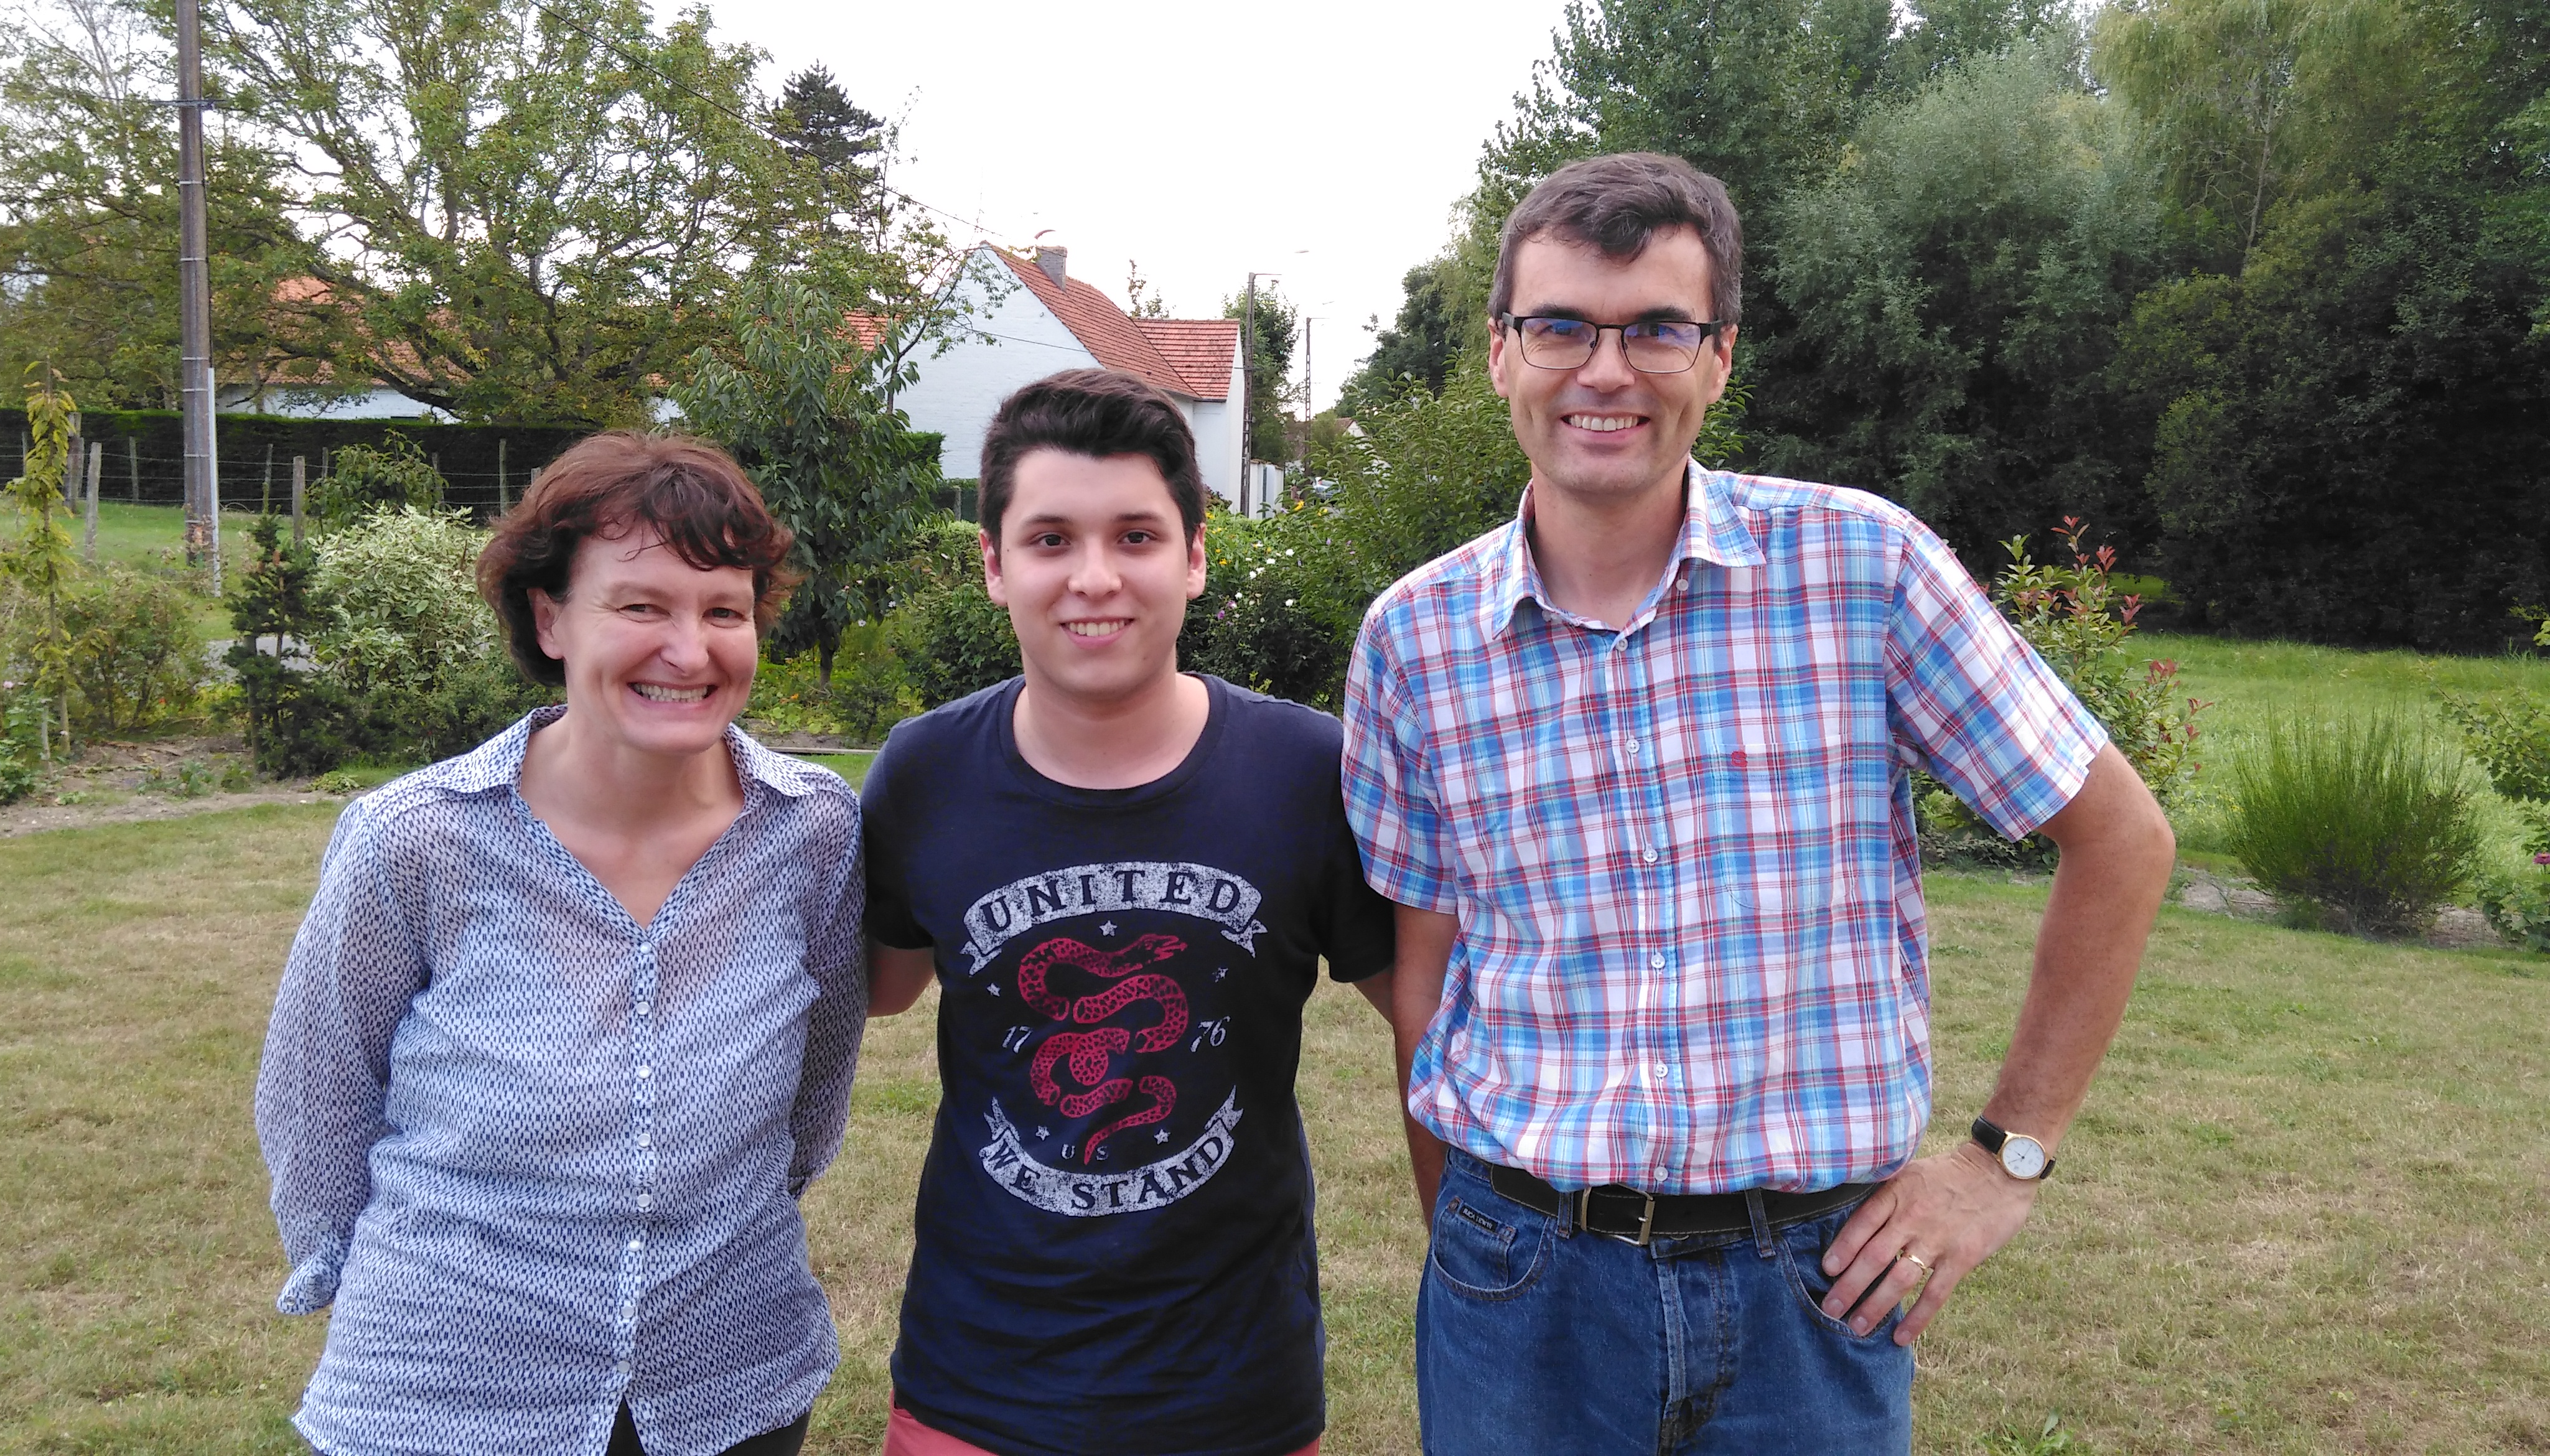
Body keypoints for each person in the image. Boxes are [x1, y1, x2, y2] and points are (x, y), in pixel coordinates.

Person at [1340, 151, 2177, 1453]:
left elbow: (2118, 838)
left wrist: (1999, 1163)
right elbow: (1424, 978)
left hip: (1810, 1284)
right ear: (1499, 353)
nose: (1604, 371)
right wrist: (1464, 1237)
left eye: (1656, 330)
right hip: (1520, 1283)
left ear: (1719, 356)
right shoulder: (1414, 639)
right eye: (1558, 325)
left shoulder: (1865, 569)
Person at [254, 432, 867, 1456]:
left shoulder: (813, 832)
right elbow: (317, 1097)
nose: (690, 648)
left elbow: (818, 1088)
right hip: (443, 1390)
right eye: (640, 606)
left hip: (735, 1380)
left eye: (724, 609)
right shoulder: (418, 838)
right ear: (550, 617)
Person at [860, 368, 1397, 1456]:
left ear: (1197, 557)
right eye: (1050, 539)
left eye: (1137, 537)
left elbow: (1443, 1023)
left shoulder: (1307, 773)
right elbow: (876, 989)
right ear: (994, 565)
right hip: (979, 1381)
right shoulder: (922, 776)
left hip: (1232, 1386)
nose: (1093, 578)